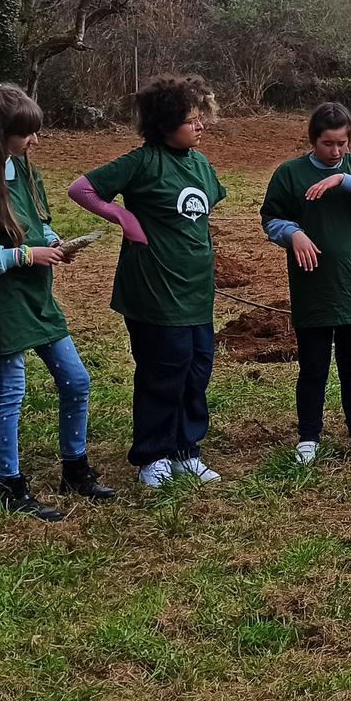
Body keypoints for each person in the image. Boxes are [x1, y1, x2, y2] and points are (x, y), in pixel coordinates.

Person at [0, 83, 111, 521]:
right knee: (11, 392)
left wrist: (56, 244)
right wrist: (23, 255)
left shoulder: (27, 173)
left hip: (39, 298)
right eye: (26, 133)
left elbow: (38, 226)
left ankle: (75, 469)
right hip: (1, 304)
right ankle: (10, 485)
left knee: (76, 380)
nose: (34, 141)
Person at [69, 74, 226, 489]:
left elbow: (203, 214)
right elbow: (82, 188)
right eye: (191, 120)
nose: (200, 126)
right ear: (164, 125)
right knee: (164, 370)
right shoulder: (141, 162)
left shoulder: (200, 164)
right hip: (155, 291)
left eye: (199, 118)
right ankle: (151, 456)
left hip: (194, 291)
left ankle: (186, 451)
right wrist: (123, 217)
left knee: (196, 369)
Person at [263, 102, 351, 465]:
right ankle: (309, 436)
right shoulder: (289, 174)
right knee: (313, 366)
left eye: (342, 144)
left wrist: (342, 179)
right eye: (327, 144)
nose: (336, 151)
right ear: (313, 141)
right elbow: (271, 217)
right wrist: (293, 234)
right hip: (313, 287)